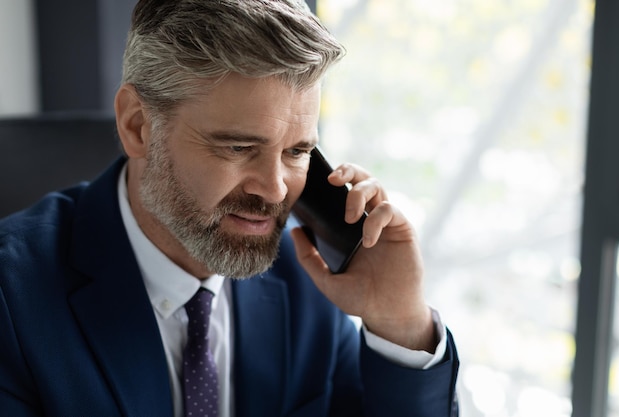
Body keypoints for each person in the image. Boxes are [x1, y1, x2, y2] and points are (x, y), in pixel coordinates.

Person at [0, 0, 459, 416]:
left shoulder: (310, 277)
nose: (277, 191)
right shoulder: (12, 300)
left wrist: (399, 322)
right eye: (239, 147)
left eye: (297, 151)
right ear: (138, 126)